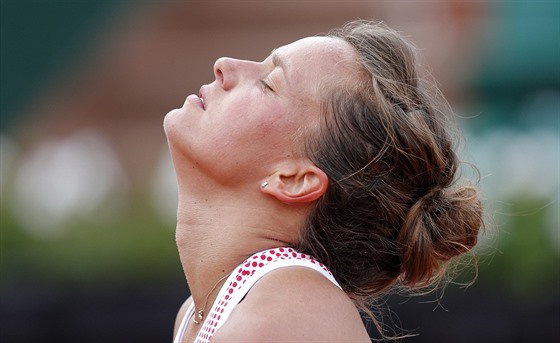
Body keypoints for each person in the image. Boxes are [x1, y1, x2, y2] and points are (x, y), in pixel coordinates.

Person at [164, 20, 483, 343]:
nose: (225, 66)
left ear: (293, 179)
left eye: (268, 83)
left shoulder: (288, 312)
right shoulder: (200, 313)